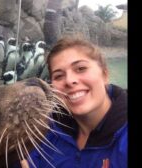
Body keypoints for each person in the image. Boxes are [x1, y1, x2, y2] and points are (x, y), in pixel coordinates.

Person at [18, 37, 127, 168]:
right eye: (58, 76)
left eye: (81, 68)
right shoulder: (47, 129)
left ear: (105, 75)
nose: (69, 80)